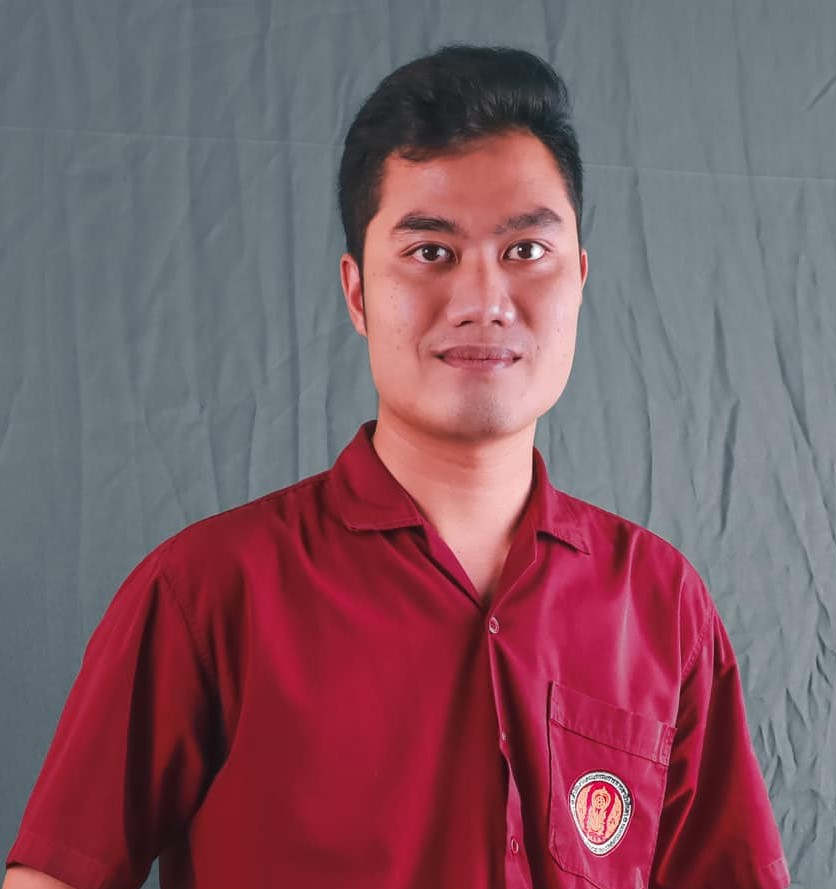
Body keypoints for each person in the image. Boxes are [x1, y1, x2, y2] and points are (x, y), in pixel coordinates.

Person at [3, 44, 790, 889]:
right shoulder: (207, 593)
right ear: (356, 293)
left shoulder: (661, 604)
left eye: (527, 250)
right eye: (431, 252)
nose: (483, 301)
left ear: (580, 279)